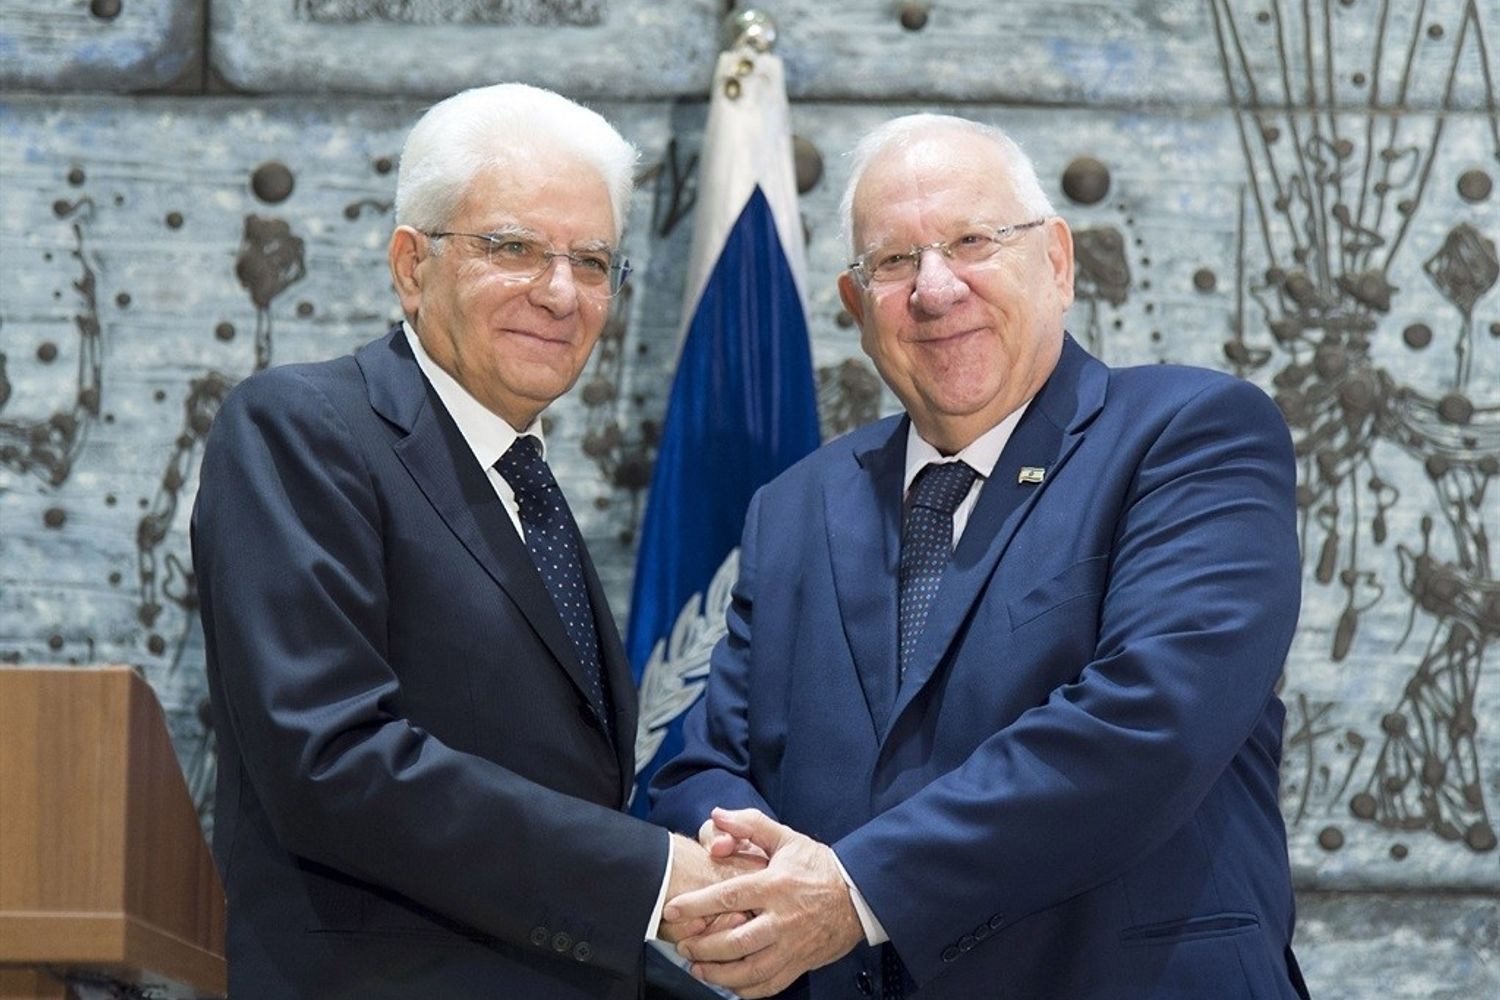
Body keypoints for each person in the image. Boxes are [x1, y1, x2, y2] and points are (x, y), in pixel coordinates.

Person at [648, 113, 1311, 1000]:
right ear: (855, 306)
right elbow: (704, 765)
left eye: (972, 241)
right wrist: (762, 880)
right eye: (892, 261)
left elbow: (1150, 720)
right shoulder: (795, 506)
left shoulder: (1192, 436)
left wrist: (855, 892)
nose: (934, 288)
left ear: (1058, 262)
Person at [192, 83, 752, 1000]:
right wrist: (654, 875)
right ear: (412, 266)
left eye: (593, 260)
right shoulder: (304, 428)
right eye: (513, 248)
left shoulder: (521, 477)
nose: (561, 292)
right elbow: (331, 762)